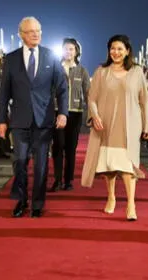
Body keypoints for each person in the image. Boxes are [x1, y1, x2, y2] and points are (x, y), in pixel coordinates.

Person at [0, 16, 68, 218]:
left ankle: (37, 203)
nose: (36, 34)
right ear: (21, 35)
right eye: (30, 31)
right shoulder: (10, 59)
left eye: (38, 30)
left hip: (44, 121)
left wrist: (62, 112)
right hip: (19, 121)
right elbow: (4, 94)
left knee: (41, 165)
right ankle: (21, 200)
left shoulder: (51, 57)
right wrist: (1, 120)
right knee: (19, 161)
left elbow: (62, 88)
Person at [81, 34, 148, 221]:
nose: (116, 52)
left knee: (128, 165)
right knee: (109, 166)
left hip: (129, 125)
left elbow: (145, 100)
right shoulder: (101, 72)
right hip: (105, 125)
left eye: (120, 48)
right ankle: (111, 197)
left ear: (128, 51)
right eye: (113, 48)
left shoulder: (137, 71)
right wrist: (94, 116)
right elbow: (92, 98)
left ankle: (131, 204)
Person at [49, 38, 90, 192]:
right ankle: (57, 180)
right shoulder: (55, 69)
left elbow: (88, 93)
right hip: (57, 111)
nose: (68, 52)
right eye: (66, 49)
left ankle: (68, 180)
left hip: (75, 113)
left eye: (71, 49)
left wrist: (91, 113)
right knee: (58, 145)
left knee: (71, 148)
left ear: (76, 51)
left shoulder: (82, 71)